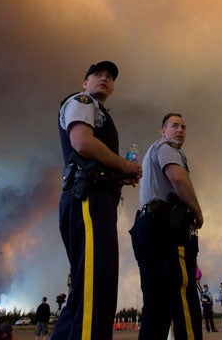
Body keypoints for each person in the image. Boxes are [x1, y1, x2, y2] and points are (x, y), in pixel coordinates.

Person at [52, 60, 142, 340]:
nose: (104, 79)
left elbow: (92, 155)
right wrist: (123, 165)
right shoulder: (82, 101)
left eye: (109, 77)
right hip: (88, 200)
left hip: (92, 199)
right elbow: (82, 142)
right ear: (85, 82)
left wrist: (119, 173)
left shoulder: (98, 112)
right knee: (96, 288)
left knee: (83, 292)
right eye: (97, 75)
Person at [130, 112, 204, 340]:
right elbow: (178, 178)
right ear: (164, 131)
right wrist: (198, 211)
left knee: (155, 305)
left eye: (183, 126)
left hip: (145, 229)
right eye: (174, 126)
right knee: (183, 297)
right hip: (165, 230)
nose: (180, 130)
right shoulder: (167, 146)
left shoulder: (152, 151)